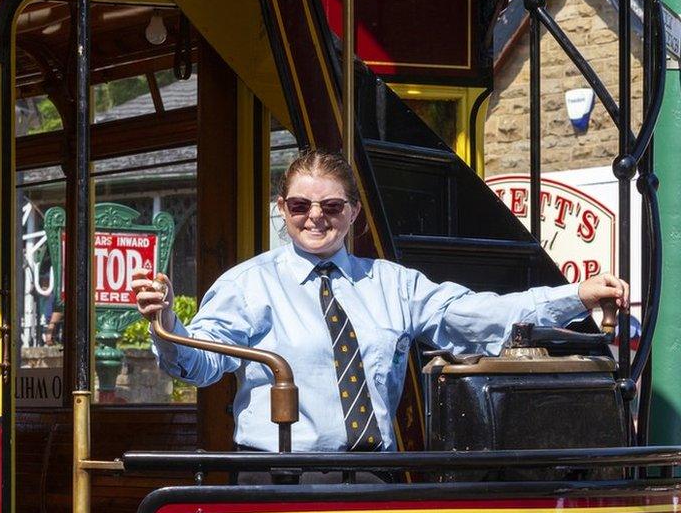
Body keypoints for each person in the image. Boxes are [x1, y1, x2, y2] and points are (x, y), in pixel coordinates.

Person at [132, 148, 629, 465]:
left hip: (374, 477)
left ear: (353, 213)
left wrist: (574, 296)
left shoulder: (393, 285)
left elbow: (478, 317)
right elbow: (197, 365)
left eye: (331, 207)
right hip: (279, 479)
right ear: (282, 209)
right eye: (300, 206)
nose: (315, 218)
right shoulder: (247, 285)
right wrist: (164, 324)